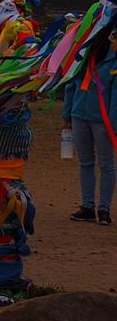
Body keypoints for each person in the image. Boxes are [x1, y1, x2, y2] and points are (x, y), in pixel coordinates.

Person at [62, 30, 117, 225]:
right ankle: (87, 206)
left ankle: (104, 209)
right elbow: (71, 86)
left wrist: (112, 123)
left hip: (102, 121)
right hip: (79, 117)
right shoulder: (83, 58)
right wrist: (67, 114)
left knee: (106, 164)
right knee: (85, 162)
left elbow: (115, 95)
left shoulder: (114, 62)